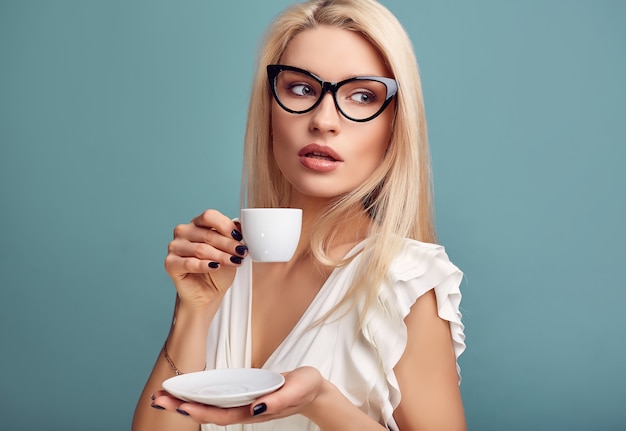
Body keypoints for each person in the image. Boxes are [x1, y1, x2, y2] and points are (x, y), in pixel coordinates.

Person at [132, 0, 466, 429]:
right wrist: (193, 313)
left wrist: (321, 401)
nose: (324, 120)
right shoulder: (224, 262)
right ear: (269, 109)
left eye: (362, 96)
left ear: (394, 126)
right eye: (302, 89)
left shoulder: (406, 282)